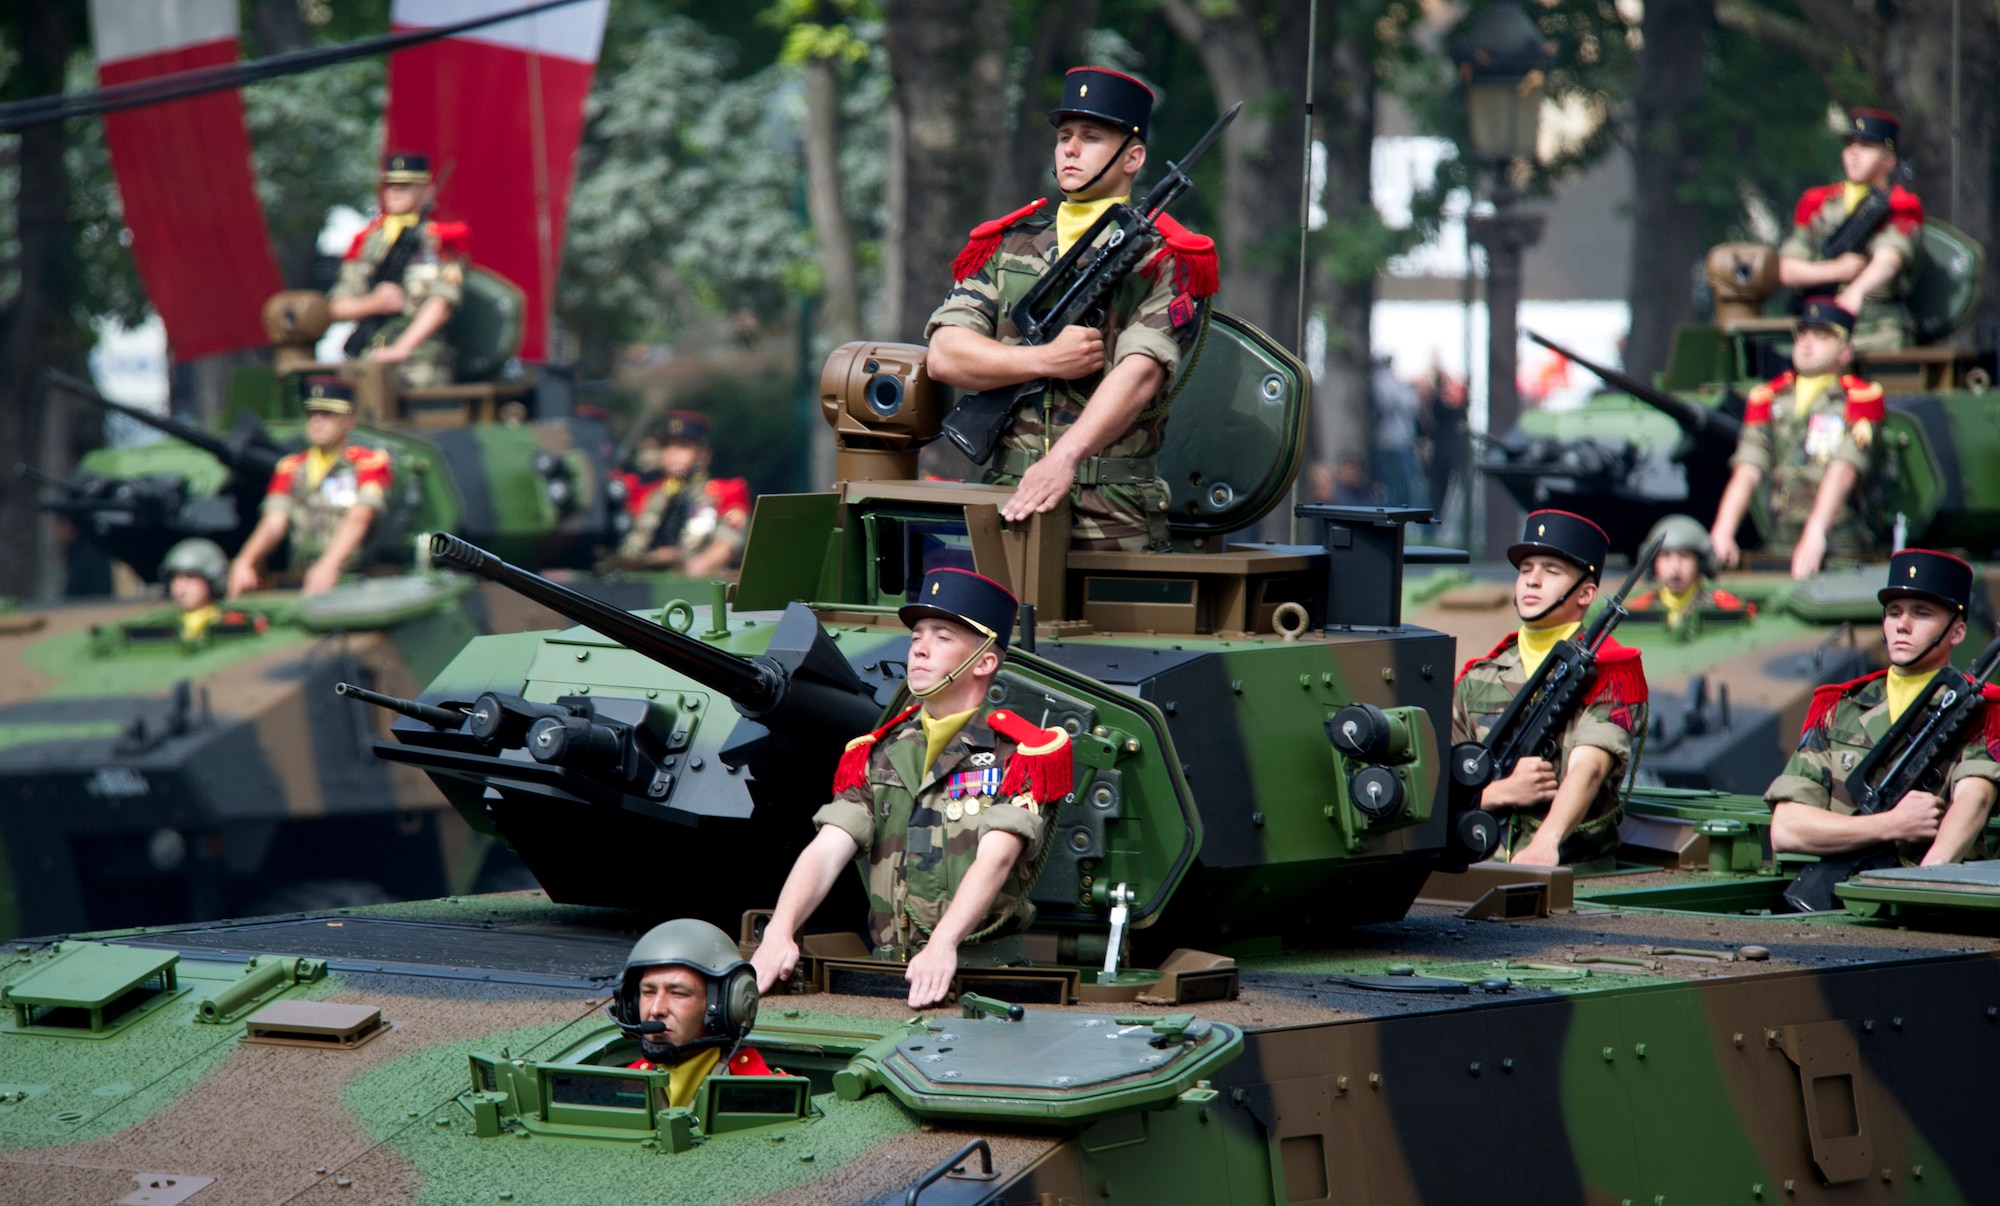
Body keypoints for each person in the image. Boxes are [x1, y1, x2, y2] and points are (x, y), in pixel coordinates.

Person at [925, 66, 1219, 551]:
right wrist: (1043, 360)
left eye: (1091, 137)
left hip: (1115, 513)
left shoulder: (1167, 257)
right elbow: (945, 355)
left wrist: (1064, 458)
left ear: (1133, 157)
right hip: (1009, 500)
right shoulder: (1008, 244)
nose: (1071, 149)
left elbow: (1142, 373)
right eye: (1064, 136)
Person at [751, 568, 1071, 1009]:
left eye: (942, 637)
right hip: (885, 976)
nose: (920, 647)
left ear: (983, 661)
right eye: (917, 635)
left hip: (986, 978)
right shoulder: (879, 752)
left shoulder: (1019, 755)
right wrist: (780, 930)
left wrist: (943, 944)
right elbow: (829, 848)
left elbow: (997, 857)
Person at [1767, 549, 2000, 866]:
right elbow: (1786, 830)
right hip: (1836, 902)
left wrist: (1920, 886)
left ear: (1957, 632)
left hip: (1930, 905)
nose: (1903, 625)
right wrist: (1890, 824)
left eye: (1921, 613)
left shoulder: (1981, 713)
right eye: (1893, 612)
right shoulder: (1839, 708)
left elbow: (1974, 800)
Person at [1453, 510, 1650, 868]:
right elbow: (1441, 787)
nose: (1532, 580)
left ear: (1586, 593)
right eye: (1526, 569)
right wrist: (1501, 792)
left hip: (1568, 873)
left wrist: (1547, 841)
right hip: (1480, 867)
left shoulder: (1610, 671)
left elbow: (1589, 767)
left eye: (1551, 571)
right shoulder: (1477, 678)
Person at [1708, 297, 1884, 579]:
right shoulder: (1768, 397)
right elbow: (1749, 468)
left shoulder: (1859, 398)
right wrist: (1723, 530)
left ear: (1845, 351)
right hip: (1781, 539)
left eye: (1821, 336)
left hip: (1840, 542)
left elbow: (1845, 469)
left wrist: (1816, 530)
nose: (1807, 343)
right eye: (1803, 334)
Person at [228, 379, 393, 598]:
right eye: (312, 414)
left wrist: (329, 565)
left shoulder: (368, 464)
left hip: (354, 577)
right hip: (303, 576)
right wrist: (245, 560)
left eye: (328, 415)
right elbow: (274, 522)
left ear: (349, 421)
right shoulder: (291, 468)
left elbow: (360, 516)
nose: (317, 422)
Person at [1776, 109, 1924, 353]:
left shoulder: (1899, 205)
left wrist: (1855, 292)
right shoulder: (1820, 204)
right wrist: (1834, 270)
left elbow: (1889, 259)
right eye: (1849, 145)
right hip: (1817, 327)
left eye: (1866, 146)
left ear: (1889, 161)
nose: (1854, 153)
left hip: (1874, 328)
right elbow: (1787, 269)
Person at [328, 152, 469, 387]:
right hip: (369, 353)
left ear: (427, 191)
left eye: (405, 186)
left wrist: (402, 348)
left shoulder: (441, 241)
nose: (395, 191)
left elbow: (442, 302)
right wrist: (373, 303)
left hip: (420, 359)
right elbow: (337, 306)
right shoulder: (368, 242)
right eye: (391, 185)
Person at [608, 919, 777, 1106]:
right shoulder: (625, 1086)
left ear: (723, 1005)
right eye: (648, 992)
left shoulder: (765, 1095)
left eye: (678, 994)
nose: (656, 1010)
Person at [612, 411, 751, 575]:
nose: (672, 453)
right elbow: (632, 545)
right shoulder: (652, 495)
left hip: (696, 583)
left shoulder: (723, 493)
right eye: (667, 446)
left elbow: (727, 543)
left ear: (703, 455)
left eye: (683, 446)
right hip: (647, 579)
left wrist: (687, 564)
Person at [1627, 514, 1754, 640]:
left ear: (1701, 563)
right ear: (1653, 563)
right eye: (1665, 556)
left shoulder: (1724, 607)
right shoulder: (1639, 609)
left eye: (1684, 556)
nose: (1675, 568)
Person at [158, 538, 267, 642]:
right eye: (174, 578)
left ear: (214, 580)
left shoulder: (236, 623)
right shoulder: (162, 626)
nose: (180, 586)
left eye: (190, 577)